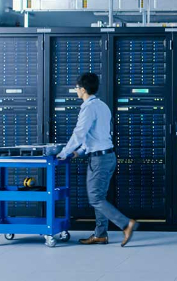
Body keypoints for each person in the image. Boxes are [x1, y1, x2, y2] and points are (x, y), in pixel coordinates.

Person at [56, 72, 139, 246]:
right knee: (100, 197)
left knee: (95, 198)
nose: (76, 90)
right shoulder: (102, 106)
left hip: (99, 160)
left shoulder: (88, 108)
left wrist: (64, 152)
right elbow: (96, 135)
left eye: (77, 87)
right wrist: (79, 152)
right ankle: (100, 234)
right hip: (107, 156)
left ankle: (126, 224)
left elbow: (80, 133)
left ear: (83, 89)